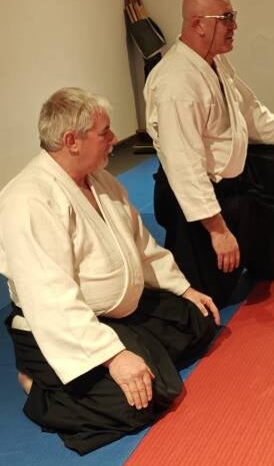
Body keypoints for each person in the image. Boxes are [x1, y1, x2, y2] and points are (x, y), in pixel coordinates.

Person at [0, 88, 220, 455]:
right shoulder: (28, 200)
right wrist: (113, 356)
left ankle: (138, 350)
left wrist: (183, 289)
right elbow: (49, 296)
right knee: (139, 403)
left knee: (197, 320)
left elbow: (142, 245)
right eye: (104, 133)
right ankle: (36, 384)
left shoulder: (99, 180)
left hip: (119, 313)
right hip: (61, 326)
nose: (114, 139)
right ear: (72, 141)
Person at [145, 0, 274, 307]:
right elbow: (184, 166)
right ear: (197, 23)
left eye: (234, 17)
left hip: (233, 184)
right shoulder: (177, 83)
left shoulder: (214, 61)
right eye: (226, 18)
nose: (235, 26)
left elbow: (248, 108)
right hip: (194, 200)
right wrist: (218, 232)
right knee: (209, 298)